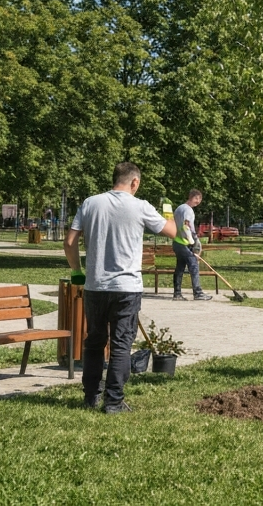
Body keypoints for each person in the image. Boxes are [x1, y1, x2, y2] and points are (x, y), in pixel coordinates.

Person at [64, 162, 177, 413]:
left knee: (94, 342)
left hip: (95, 286)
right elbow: (172, 231)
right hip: (126, 287)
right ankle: (113, 402)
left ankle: (91, 396)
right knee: (121, 344)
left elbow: (70, 242)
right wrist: (169, 212)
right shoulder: (141, 206)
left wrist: (77, 272)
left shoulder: (90, 203)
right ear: (134, 182)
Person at [171, 189, 211, 301]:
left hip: (177, 242)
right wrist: (193, 242)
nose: (198, 202)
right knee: (193, 265)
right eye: (198, 199)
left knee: (180, 267)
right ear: (195, 197)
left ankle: (177, 294)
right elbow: (186, 226)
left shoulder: (179, 208)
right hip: (184, 242)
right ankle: (198, 293)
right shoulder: (188, 210)